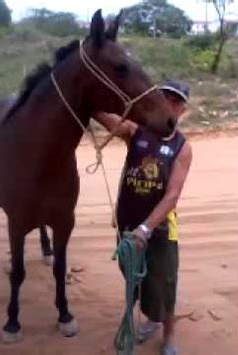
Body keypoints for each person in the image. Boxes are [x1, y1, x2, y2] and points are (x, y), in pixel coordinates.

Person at [93, 80, 192, 355]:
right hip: (127, 225)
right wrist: (88, 101)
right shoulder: (137, 132)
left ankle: (169, 335)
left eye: (176, 101)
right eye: (166, 98)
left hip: (159, 228)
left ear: (183, 109)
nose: (170, 104)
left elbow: (172, 196)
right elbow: (107, 119)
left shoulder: (182, 148)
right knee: (135, 277)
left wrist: (146, 229)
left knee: (165, 282)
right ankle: (151, 318)